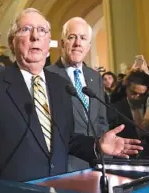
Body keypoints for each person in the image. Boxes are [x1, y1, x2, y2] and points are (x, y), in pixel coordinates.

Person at [0, 8, 143, 182]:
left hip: (58, 185)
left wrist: (97, 145)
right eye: (26, 29)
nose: (35, 36)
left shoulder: (60, 85)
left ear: (48, 42)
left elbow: (68, 139)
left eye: (42, 30)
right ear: (12, 42)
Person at [46, 17, 109, 171]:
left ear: (88, 46)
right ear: (62, 43)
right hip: (66, 164)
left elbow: (102, 120)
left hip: (97, 163)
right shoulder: (48, 75)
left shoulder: (95, 77)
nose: (77, 43)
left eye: (83, 38)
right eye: (72, 37)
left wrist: (102, 150)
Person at [107, 70, 149, 159]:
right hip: (125, 156)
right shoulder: (114, 109)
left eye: (142, 95)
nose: (137, 97)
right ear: (126, 88)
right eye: (133, 93)